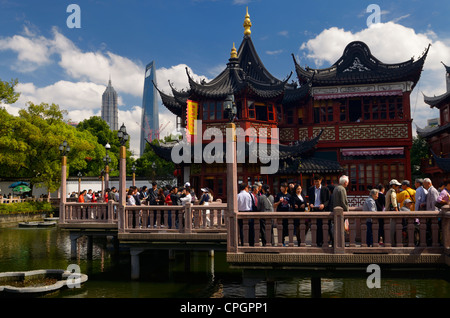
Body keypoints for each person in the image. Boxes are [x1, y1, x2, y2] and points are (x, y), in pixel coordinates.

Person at [307, 175, 331, 246]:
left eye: (317, 181)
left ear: (321, 181)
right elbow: (310, 199)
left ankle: (321, 241)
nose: (316, 183)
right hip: (314, 209)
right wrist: (311, 204)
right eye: (315, 181)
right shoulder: (311, 189)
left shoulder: (325, 189)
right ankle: (315, 241)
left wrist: (323, 205)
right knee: (314, 227)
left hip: (321, 209)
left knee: (321, 226)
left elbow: (328, 200)